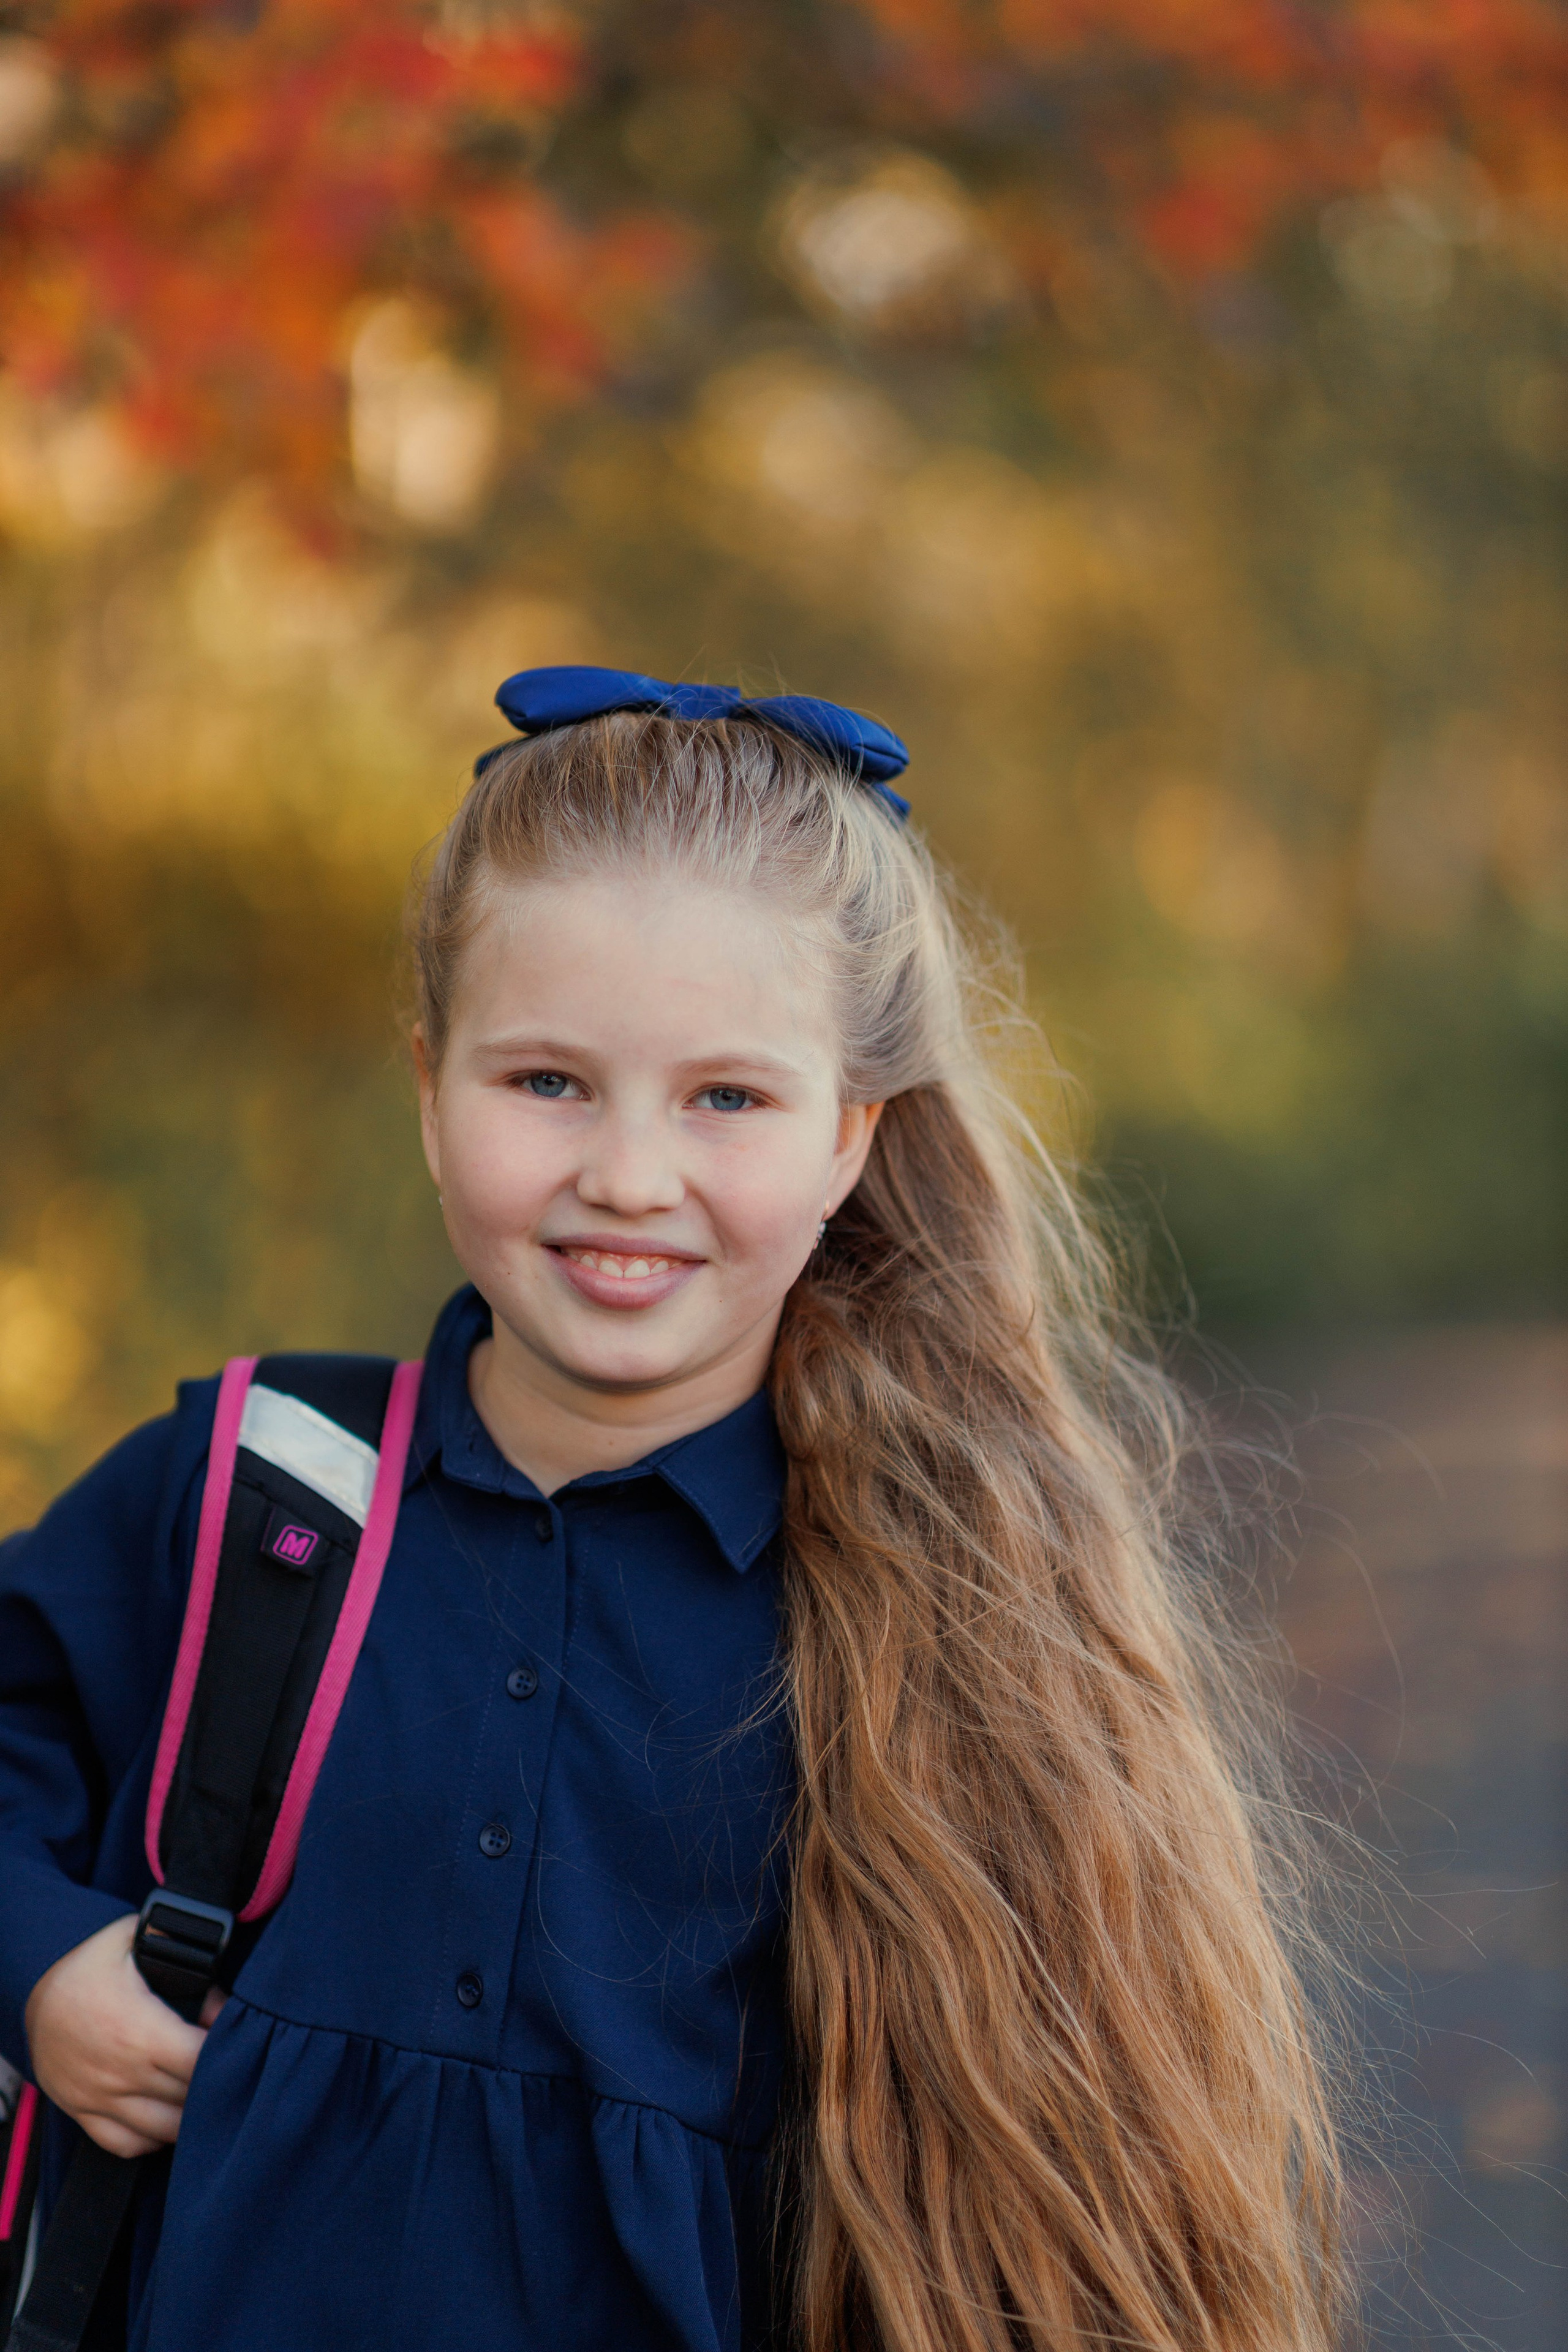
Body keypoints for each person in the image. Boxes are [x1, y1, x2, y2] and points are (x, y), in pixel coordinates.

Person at [0, 673, 1344, 2352]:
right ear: (430, 1089)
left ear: (851, 1137)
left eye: (727, 1098)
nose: (629, 1174)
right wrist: (44, 1965)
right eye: (548, 1082)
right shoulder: (268, 1484)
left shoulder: (937, 1613)